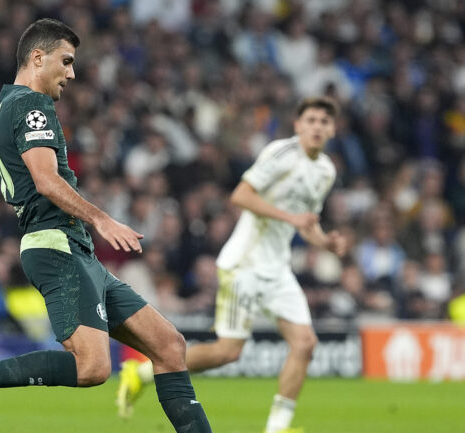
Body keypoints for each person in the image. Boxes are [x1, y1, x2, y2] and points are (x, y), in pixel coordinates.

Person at [0, 18, 212, 432]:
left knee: (169, 346)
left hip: (73, 249)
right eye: (66, 62)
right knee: (93, 366)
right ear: (37, 57)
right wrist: (102, 218)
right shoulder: (32, 106)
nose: (72, 73)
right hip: (56, 245)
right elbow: (47, 181)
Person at [117, 96, 347, 433]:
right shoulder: (281, 153)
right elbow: (240, 196)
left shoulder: (325, 170)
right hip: (244, 265)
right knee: (227, 352)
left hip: (278, 268)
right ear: (298, 126)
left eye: (324, 122)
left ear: (332, 129)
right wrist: (291, 218)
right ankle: (140, 373)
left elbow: (306, 222)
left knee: (305, 343)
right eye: (310, 120)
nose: (317, 126)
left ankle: (277, 428)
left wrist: (324, 241)